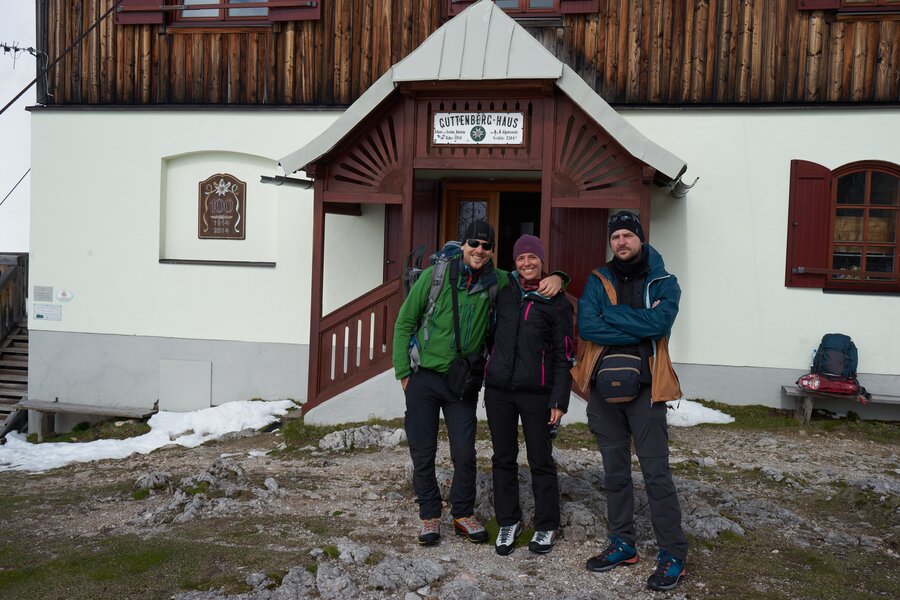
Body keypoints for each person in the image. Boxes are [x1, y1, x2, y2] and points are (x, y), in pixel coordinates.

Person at [393, 221, 563, 546]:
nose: (480, 250)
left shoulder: (497, 280)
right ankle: (429, 515)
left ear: (492, 252)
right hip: (424, 378)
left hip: (463, 381)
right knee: (423, 451)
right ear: (464, 244)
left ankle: (462, 512)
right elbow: (404, 323)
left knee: (464, 453)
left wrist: (558, 277)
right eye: (474, 243)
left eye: (487, 246)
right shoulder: (436, 276)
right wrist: (403, 373)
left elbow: (528, 274)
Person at [577, 211, 688, 592]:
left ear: (640, 238)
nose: (621, 241)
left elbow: (660, 324)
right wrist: (637, 319)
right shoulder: (598, 279)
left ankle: (673, 554)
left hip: (646, 391)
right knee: (615, 473)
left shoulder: (664, 282)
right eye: (616, 236)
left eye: (627, 235)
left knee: (656, 474)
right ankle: (622, 543)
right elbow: (587, 326)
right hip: (603, 392)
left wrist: (613, 316)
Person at [484, 234, 574, 556]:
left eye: (532, 257)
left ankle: (546, 525)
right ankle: (509, 521)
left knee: (540, 460)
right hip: (498, 393)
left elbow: (564, 355)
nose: (526, 263)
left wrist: (559, 401)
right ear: (515, 262)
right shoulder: (505, 293)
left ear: (541, 259)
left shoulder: (557, 301)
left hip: (537, 394)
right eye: (521, 258)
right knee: (503, 459)